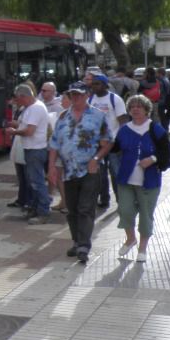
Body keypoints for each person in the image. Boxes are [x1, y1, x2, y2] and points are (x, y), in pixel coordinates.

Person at [48, 81, 110, 264]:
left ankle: (84, 245)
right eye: (72, 95)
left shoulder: (99, 116)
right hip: (69, 171)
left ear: (87, 95)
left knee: (85, 208)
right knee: (72, 210)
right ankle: (76, 242)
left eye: (79, 95)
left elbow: (108, 142)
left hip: (90, 170)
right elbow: (54, 144)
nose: (75, 98)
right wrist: (51, 167)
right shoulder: (63, 117)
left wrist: (96, 159)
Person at [114, 95, 170, 263]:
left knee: (146, 215)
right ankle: (130, 239)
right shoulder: (124, 129)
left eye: (139, 107)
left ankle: (142, 248)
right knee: (125, 211)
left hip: (149, 182)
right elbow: (114, 148)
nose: (136, 109)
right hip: (126, 180)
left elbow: (166, 153)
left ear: (147, 110)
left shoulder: (156, 129)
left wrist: (153, 159)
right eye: (132, 107)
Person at [5, 84, 51, 224]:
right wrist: (15, 125)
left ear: (24, 97)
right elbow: (25, 125)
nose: (17, 103)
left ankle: (43, 211)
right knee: (33, 181)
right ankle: (36, 208)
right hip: (31, 148)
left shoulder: (36, 108)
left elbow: (29, 131)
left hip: (35, 149)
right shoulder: (30, 108)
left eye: (18, 100)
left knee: (37, 182)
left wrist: (14, 132)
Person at [87, 74, 127, 208]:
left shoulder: (115, 99)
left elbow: (123, 121)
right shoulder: (90, 99)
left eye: (97, 84)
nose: (94, 86)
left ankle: (121, 200)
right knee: (100, 174)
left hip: (113, 142)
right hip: (97, 143)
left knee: (116, 172)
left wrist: (120, 139)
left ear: (105, 85)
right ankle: (104, 200)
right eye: (93, 84)